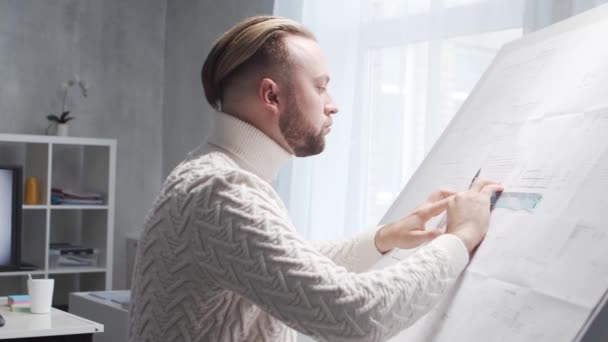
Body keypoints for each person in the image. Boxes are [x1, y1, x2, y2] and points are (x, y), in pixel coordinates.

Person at [128, 15, 503, 342]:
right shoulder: (222, 191)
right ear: (271, 96)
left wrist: (383, 238)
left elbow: (278, 268)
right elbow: (354, 316)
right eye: (320, 86)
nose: (332, 103)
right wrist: (460, 237)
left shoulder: (210, 173)